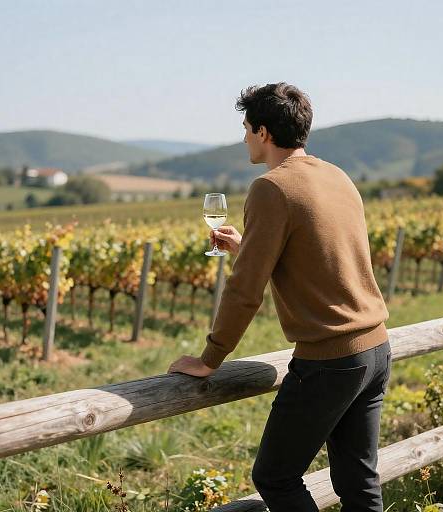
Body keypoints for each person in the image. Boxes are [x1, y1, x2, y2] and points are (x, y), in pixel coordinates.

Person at [168, 82, 391, 511]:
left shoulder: (271, 187)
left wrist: (209, 359)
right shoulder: (336, 176)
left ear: (264, 132)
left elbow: (244, 291)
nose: (244, 138)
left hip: (329, 360)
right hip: (375, 349)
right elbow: (322, 253)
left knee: (274, 476)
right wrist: (247, 246)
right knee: (358, 480)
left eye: (247, 128)